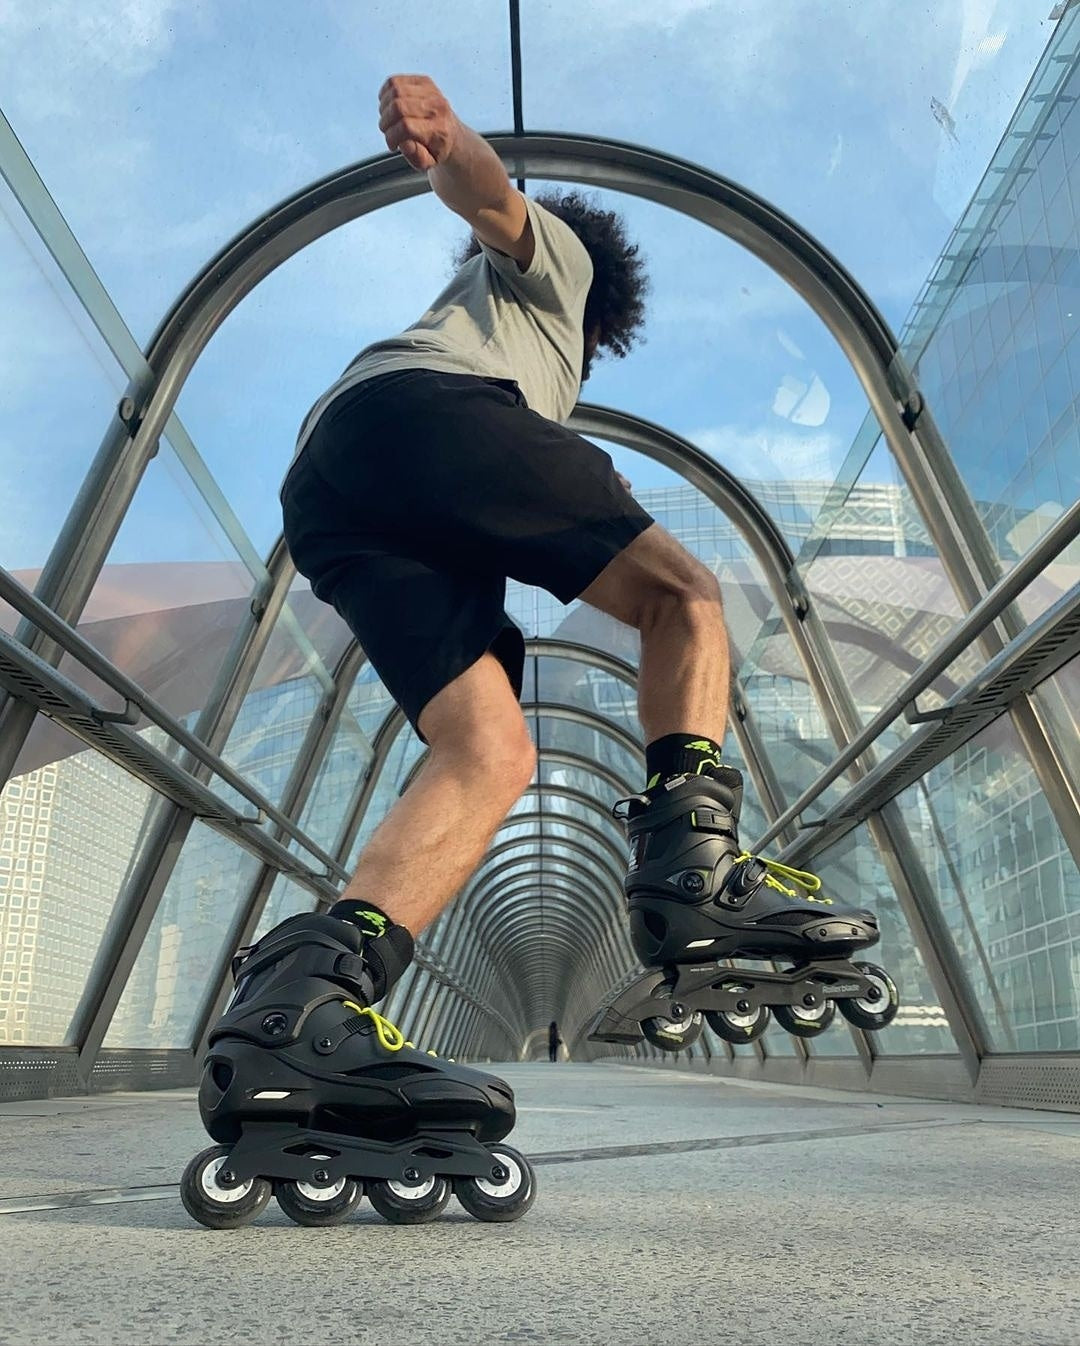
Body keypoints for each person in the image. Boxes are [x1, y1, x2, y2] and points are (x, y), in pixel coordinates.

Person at [275, 74, 878, 1034]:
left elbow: (504, 484)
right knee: (686, 595)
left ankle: (305, 1011)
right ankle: (698, 864)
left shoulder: (511, 374)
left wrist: (582, 483)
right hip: (425, 417)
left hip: (329, 492)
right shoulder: (560, 279)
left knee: (490, 751)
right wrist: (449, 132)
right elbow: (492, 202)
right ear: (601, 329)